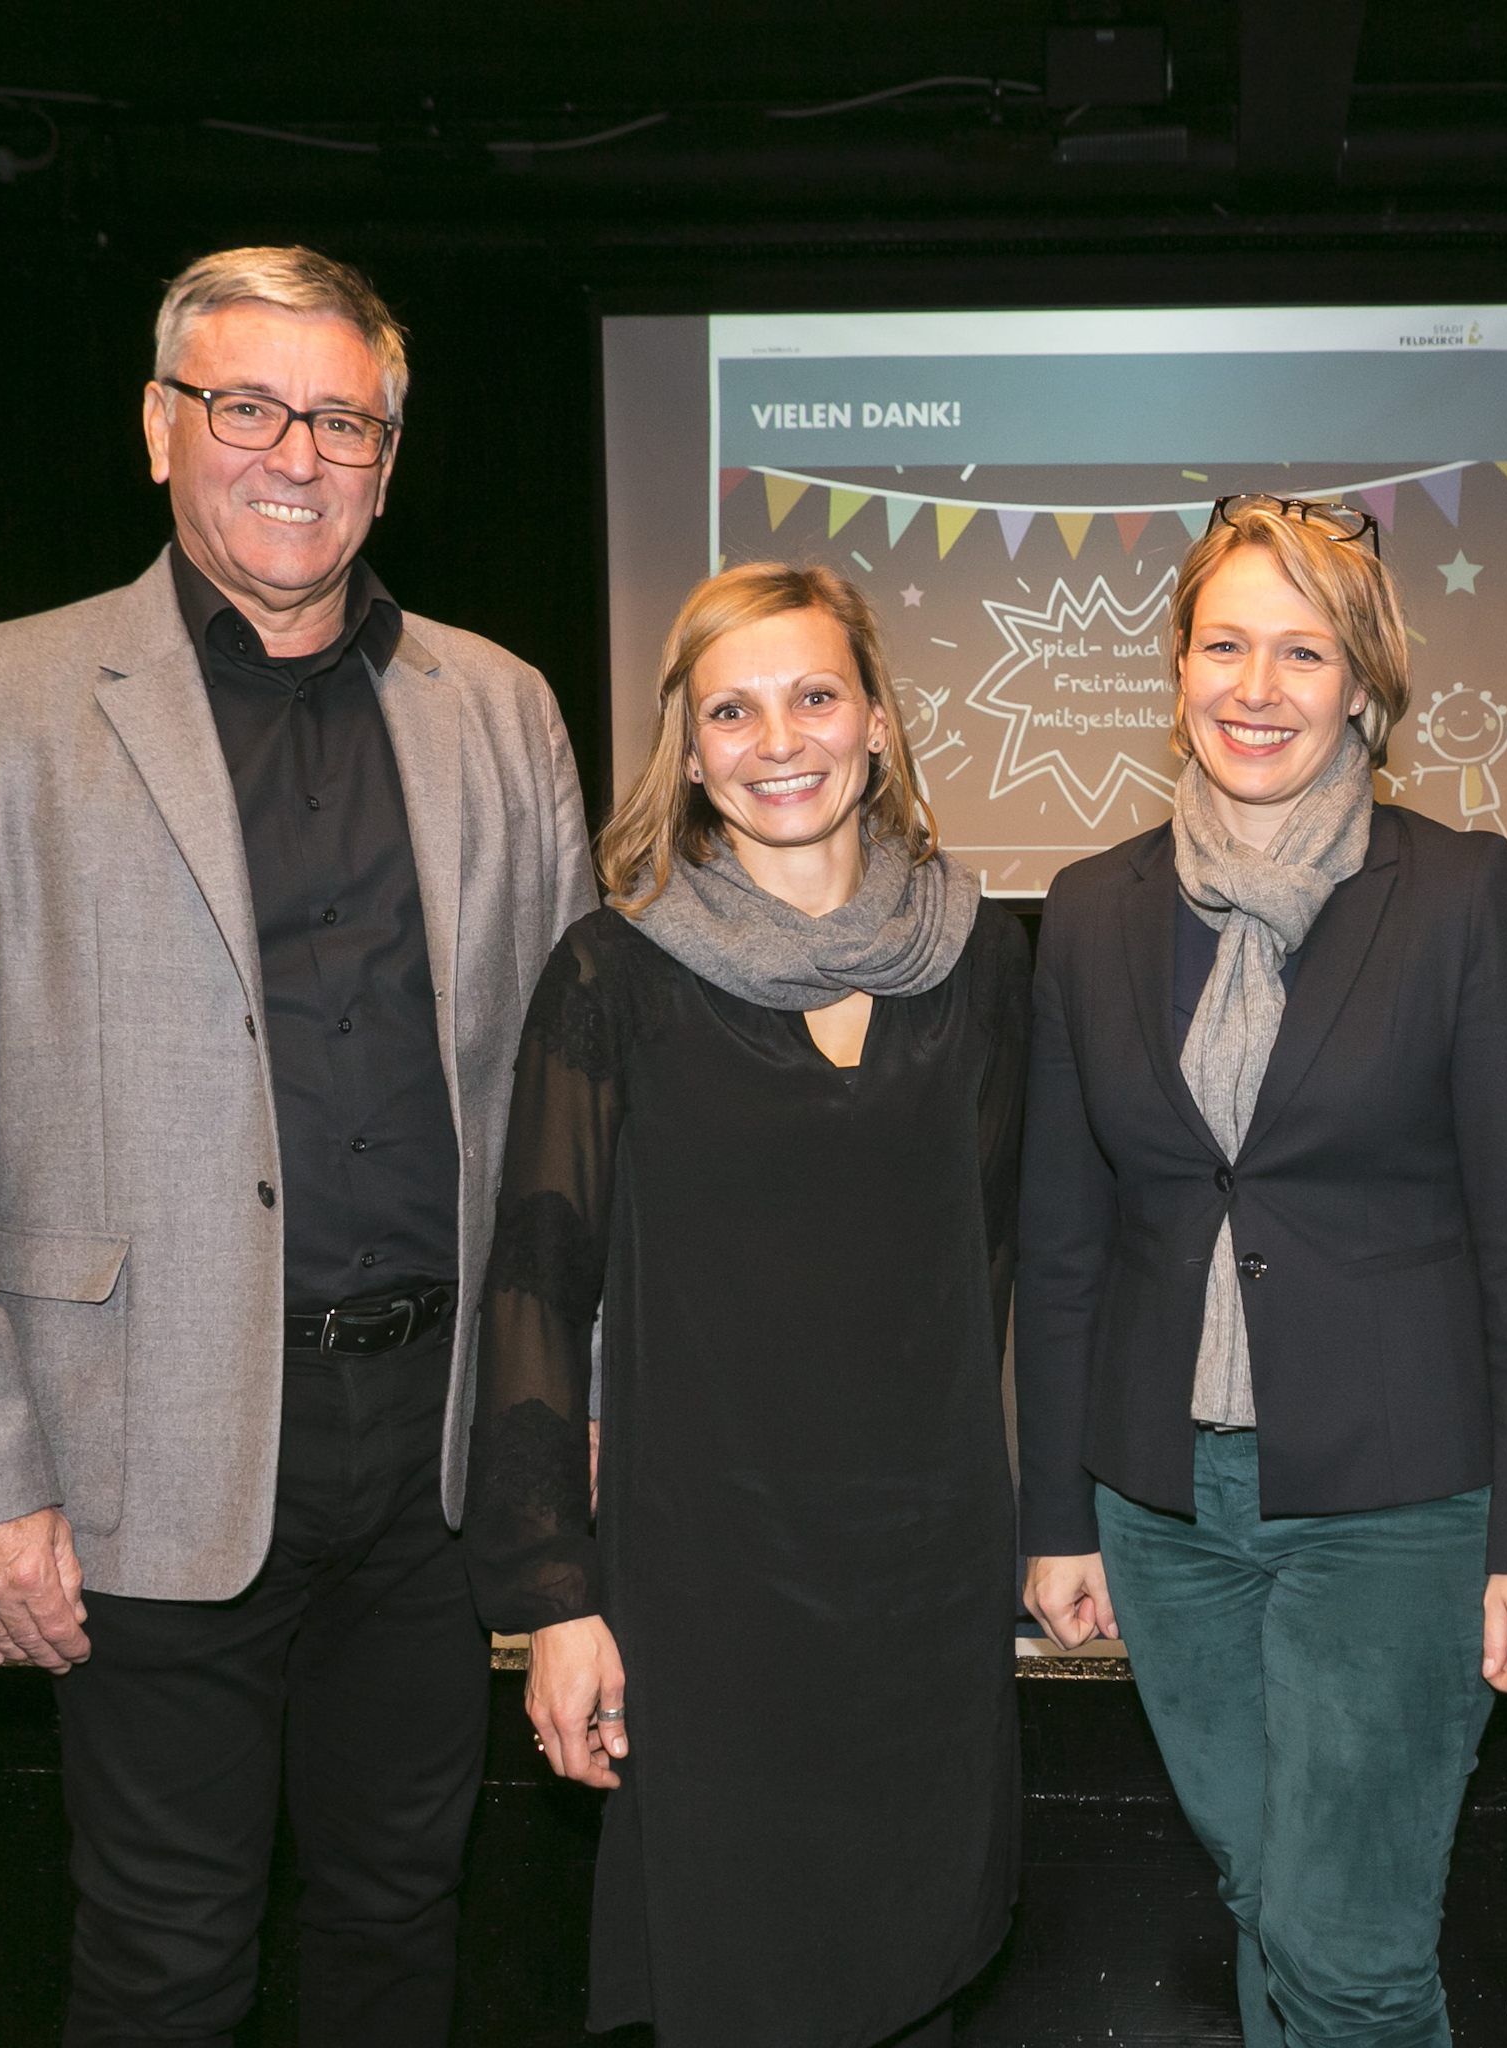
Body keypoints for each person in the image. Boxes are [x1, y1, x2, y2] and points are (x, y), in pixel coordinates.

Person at [0, 245, 596, 2044]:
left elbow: (578, 1116)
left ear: (389, 460)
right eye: (246, 405)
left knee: (402, 1928)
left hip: (431, 1461)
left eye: (342, 418)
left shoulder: (502, 711)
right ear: (159, 430)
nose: (294, 452)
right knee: (168, 1960)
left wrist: (576, 1439)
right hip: (133, 1456)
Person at [1018, 497, 1507, 2048]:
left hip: (1396, 1509)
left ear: (1364, 685)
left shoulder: (1461, 894)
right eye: (1223, 645)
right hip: (1163, 1513)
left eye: (1301, 650)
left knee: (1346, 1942)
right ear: (1178, 668)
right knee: (1270, 1902)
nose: (1255, 687)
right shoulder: (1089, 910)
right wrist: (1056, 1514)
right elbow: (1066, 1243)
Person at [463, 562, 1026, 2047]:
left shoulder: (978, 961)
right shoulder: (613, 973)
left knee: (922, 1985)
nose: (780, 739)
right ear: (691, 749)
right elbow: (532, 1283)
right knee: (743, 1993)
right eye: (734, 709)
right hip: (709, 1598)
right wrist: (556, 1603)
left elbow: (998, 1269)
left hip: (927, 1594)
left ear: (882, 725)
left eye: (815, 696)